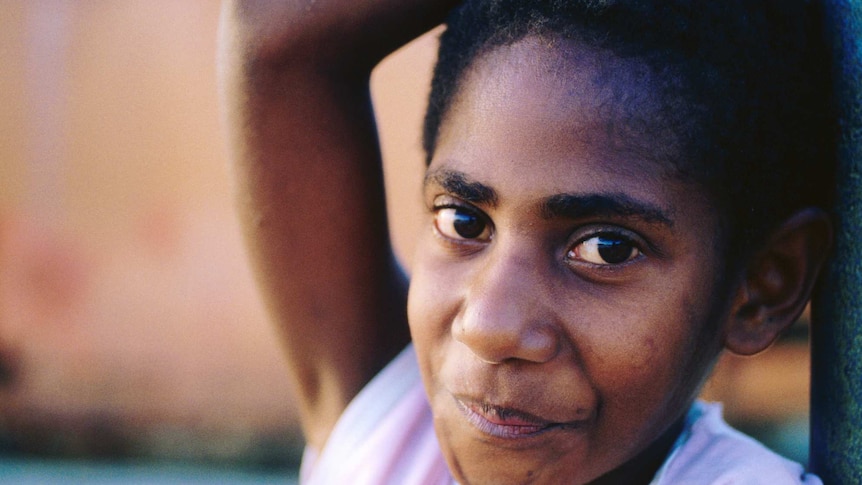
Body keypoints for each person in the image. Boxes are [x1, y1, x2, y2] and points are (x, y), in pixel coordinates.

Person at [218, 0, 835, 483]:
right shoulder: (393, 435)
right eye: (464, 222)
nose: (489, 326)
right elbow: (276, 35)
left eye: (605, 249)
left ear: (761, 287)